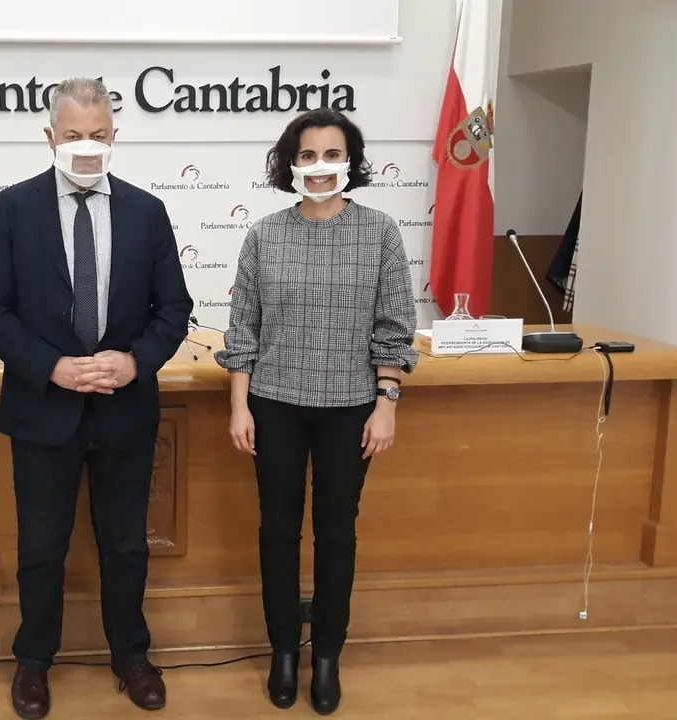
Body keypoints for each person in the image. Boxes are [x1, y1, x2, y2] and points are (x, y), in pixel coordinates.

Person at [0, 77, 193, 719]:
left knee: (125, 545)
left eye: (98, 134)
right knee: (42, 547)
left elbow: (173, 308)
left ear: (115, 136)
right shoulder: (15, 207)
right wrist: (52, 367)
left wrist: (136, 361)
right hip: (43, 408)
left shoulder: (147, 211)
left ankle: (131, 656)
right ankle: (34, 662)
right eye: (73, 135)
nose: (86, 145)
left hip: (125, 410)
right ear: (50, 137)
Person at [212, 108, 417, 716]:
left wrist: (387, 404)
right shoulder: (264, 235)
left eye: (332, 154)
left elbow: (394, 326)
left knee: (335, 533)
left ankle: (327, 654)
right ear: (290, 164)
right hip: (273, 406)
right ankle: (282, 650)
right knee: (277, 531)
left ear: (350, 161)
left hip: (350, 410)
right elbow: (243, 329)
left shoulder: (380, 232)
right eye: (307, 156)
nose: (319, 166)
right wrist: (239, 406)